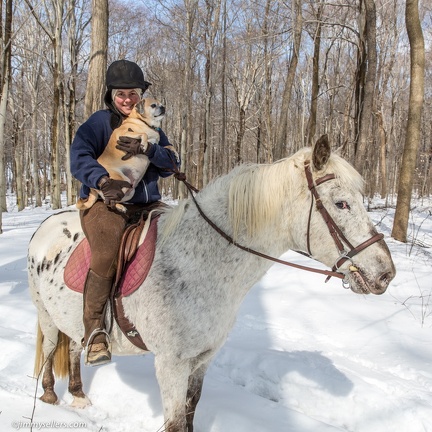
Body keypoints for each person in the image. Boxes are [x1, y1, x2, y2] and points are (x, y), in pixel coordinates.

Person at [70, 59, 180, 366]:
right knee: (106, 250)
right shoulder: (99, 123)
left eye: (132, 93)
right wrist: (103, 181)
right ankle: (94, 333)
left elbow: (173, 167)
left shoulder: (154, 128)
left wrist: (150, 150)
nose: (127, 99)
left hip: (147, 203)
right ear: (112, 96)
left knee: (183, 236)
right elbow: (78, 158)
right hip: (105, 202)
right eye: (121, 94)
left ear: (140, 94)